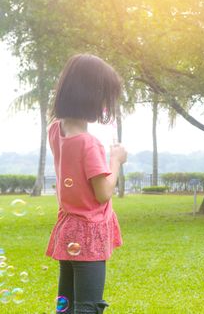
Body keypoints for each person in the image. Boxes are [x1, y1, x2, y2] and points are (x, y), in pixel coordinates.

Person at [46, 54, 127, 314]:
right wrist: (115, 160)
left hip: (68, 229)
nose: (106, 104)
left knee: (65, 304)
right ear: (91, 96)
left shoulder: (56, 130)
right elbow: (103, 193)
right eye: (105, 96)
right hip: (89, 234)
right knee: (88, 307)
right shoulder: (88, 143)